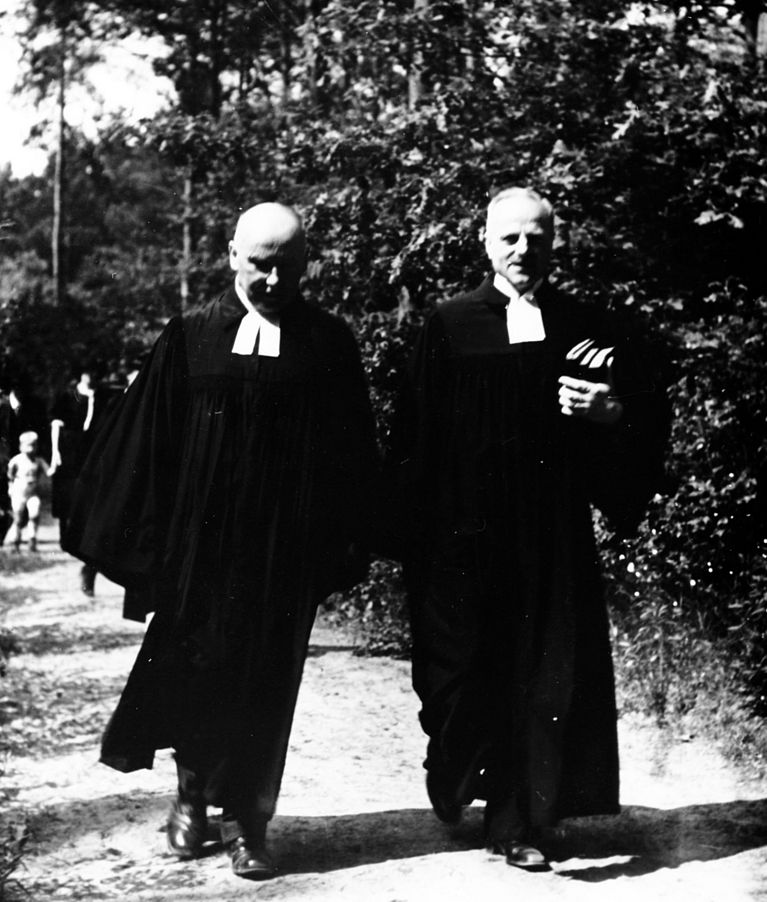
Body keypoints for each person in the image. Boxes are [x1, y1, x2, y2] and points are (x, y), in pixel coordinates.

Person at [63, 202, 378, 879]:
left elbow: (353, 454)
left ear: (305, 264)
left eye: (286, 266)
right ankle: (189, 799)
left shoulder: (328, 343)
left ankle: (247, 820)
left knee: (266, 681)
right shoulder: (191, 336)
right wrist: (137, 547)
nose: (271, 279)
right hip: (200, 552)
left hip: (281, 555)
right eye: (259, 263)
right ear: (232, 255)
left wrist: (338, 542)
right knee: (196, 672)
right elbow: (146, 444)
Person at [387, 188, 669, 871]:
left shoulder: (583, 327)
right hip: (465, 542)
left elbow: (647, 403)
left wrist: (609, 414)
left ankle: (521, 819)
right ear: (484, 242)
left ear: (554, 242)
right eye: (510, 238)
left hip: (550, 539)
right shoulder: (448, 325)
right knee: (466, 682)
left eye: (536, 238)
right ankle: (457, 776)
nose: (523, 250)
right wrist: (413, 538)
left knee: (545, 676)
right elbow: (413, 441)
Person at [49, 370, 106, 595]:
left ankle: (89, 564)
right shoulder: (67, 395)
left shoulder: (104, 397)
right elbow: (56, 425)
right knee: (69, 498)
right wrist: (55, 453)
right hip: (71, 450)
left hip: (94, 453)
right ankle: (72, 542)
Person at [6, 431, 49, 552]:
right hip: (19, 491)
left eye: (34, 445)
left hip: (33, 492)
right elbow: (10, 476)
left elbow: (49, 472)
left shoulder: (38, 461)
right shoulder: (16, 460)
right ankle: (15, 542)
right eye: (28, 445)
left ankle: (32, 539)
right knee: (18, 518)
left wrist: (56, 463)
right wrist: (11, 488)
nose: (31, 448)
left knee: (34, 514)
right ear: (21, 446)